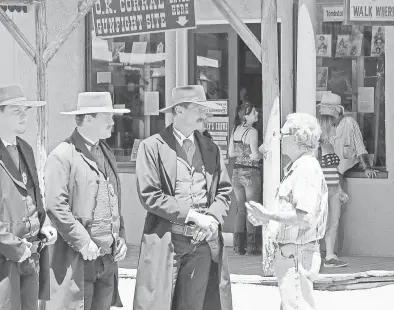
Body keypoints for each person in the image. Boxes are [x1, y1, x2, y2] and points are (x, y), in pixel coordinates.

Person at [133, 85, 233, 310]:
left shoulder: (211, 148)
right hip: (168, 241)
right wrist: (192, 215)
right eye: (199, 108)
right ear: (179, 111)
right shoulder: (152, 147)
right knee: (159, 304)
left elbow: (224, 191)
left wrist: (213, 220)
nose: (204, 114)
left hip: (202, 244)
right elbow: (150, 195)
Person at [44, 92, 129, 310]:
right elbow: (56, 206)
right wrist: (83, 241)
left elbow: (112, 201)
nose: (112, 122)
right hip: (78, 259)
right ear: (88, 119)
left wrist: (120, 237)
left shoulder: (106, 151)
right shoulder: (62, 155)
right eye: (107, 116)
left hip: (107, 260)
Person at [247, 112, 328, 310]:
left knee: (297, 305)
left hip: (296, 254)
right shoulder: (298, 167)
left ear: (297, 137)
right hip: (293, 253)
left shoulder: (306, 169)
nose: (280, 137)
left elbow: (304, 217)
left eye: (283, 133)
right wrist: (267, 219)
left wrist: (268, 216)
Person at [0, 85, 57, 310]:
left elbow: (34, 193)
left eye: (25, 110)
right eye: (16, 110)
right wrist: (13, 246)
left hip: (31, 254)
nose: (24, 115)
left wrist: (44, 223)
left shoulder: (25, 148)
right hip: (5, 258)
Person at [317, 92, 377, 267]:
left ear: (337, 110)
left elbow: (359, 145)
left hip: (336, 177)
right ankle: (323, 254)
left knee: (333, 219)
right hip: (326, 179)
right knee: (324, 218)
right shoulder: (320, 128)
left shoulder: (348, 123)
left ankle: (329, 254)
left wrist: (367, 166)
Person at [228, 102, 263, 255]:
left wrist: (242, 152)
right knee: (252, 209)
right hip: (250, 171)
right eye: (254, 112)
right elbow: (255, 155)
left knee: (240, 209)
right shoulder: (253, 131)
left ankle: (237, 246)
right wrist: (263, 152)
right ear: (246, 115)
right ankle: (251, 246)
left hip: (236, 172)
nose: (257, 114)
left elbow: (231, 154)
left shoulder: (235, 130)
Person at [318, 117, 349, 268]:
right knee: (320, 222)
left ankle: (330, 255)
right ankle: (316, 255)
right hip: (322, 190)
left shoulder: (330, 144)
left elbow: (333, 170)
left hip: (334, 189)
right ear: (327, 127)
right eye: (334, 125)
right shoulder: (317, 146)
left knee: (334, 222)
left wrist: (340, 189)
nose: (337, 128)